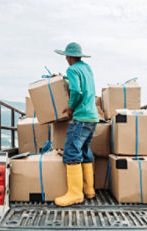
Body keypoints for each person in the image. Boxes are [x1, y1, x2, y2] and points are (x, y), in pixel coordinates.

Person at [54, 42, 99, 207]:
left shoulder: (72, 69)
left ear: (69, 57)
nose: (66, 59)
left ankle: (75, 194)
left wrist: (71, 107)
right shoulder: (86, 68)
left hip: (81, 117)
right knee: (85, 151)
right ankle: (89, 190)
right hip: (92, 117)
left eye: (66, 56)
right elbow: (85, 87)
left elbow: (77, 91)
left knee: (72, 152)